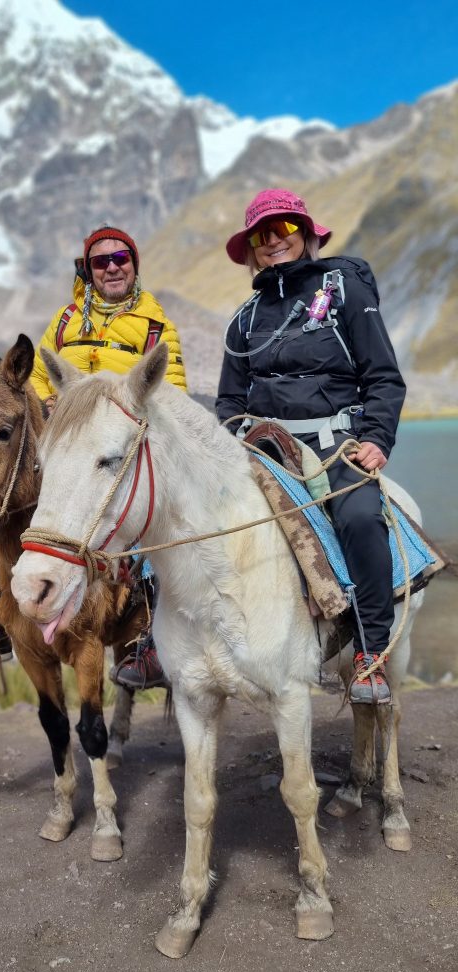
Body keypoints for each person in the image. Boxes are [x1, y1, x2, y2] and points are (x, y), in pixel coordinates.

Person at [0, 225, 187, 687]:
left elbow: (171, 392)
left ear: (134, 265)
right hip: (66, 439)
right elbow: (34, 381)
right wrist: (47, 405)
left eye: (121, 259)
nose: (112, 267)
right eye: (101, 261)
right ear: (88, 270)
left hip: (122, 443)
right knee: (3, 502)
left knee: (145, 514)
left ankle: (146, 636)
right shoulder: (65, 321)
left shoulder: (158, 326)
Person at [216, 189, 406, 704]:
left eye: (285, 230)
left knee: (363, 519)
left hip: (335, 444)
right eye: (262, 235)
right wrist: (240, 438)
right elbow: (229, 402)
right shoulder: (244, 320)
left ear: (306, 235)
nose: (274, 241)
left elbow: (384, 378)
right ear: (251, 250)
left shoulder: (345, 291)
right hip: (266, 450)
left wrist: (376, 438)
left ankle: (371, 653)